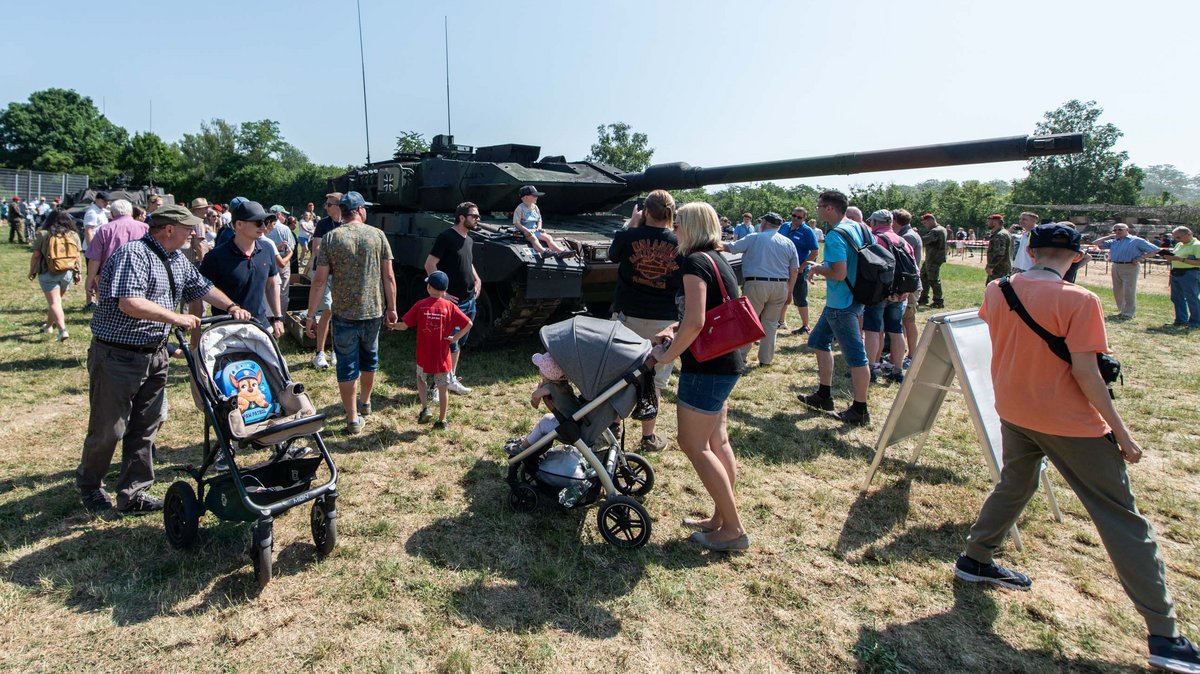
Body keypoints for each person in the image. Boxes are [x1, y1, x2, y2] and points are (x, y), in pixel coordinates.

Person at [954, 223, 1199, 674]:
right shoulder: (1080, 300)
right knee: (1121, 518)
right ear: (1079, 257)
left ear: (1030, 250)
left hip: (1014, 408)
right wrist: (1121, 432)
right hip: (1070, 422)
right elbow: (1086, 374)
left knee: (1015, 484)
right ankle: (1165, 636)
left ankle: (976, 557)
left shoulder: (997, 288)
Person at [78, 205, 250, 516]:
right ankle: (90, 486)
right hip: (118, 355)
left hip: (154, 354)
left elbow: (203, 287)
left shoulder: (176, 259)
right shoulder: (134, 254)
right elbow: (130, 303)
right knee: (109, 429)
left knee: (146, 425)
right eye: (188, 228)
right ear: (169, 229)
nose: (193, 233)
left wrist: (232, 306)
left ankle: (134, 493)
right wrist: (176, 318)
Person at [647, 201, 748, 552]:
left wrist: (666, 356)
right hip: (726, 363)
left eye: (677, 225)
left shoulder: (693, 263)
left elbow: (696, 321)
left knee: (693, 444)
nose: (674, 231)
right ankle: (721, 517)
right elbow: (706, 314)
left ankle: (732, 529)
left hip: (706, 368)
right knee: (718, 442)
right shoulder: (718, 258)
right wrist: (674, 328)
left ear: (689, 227)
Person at [306, 191, 397, 434]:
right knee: (370, 360)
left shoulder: (331, 237)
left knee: (346, 366)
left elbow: (319, 281)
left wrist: (311, 315)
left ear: (343, 212)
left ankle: (353, 418)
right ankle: (365, 403)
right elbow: (388, 276)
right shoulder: (378, 235)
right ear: (360, 210)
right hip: (373, 311)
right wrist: (392, 308)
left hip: (344, 313)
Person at [608, 189, 681, 453]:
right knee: (655, 381)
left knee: (620, 375)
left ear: (646, 211)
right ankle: (648, 437)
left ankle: (614, 425)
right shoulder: (679, 241)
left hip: (628, 316)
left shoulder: (628, 235)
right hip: (664, 322)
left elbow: (613, 255)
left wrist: (632, 223)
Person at [798, 190, 872, 425]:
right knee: (819, 341)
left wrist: (816, 268)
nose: (817, 210)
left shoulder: (835, 235)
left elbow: (839, 273)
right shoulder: (860, 227)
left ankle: (860, 410)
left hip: (842, 304)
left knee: (856, 357)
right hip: (854, 296)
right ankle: (823, 395)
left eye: (819, 206)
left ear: (829, 208)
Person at [393, 271, 472, 430]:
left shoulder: (421, 305)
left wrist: (392, 325)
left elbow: (404, 325)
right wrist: (455, 338)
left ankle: (425, 409)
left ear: (428, 287)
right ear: (445, 290)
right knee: (443, 388)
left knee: (421, 379)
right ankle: (442, 420)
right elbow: (468, 323)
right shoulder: (450, 306)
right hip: (442, 357)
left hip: (424, 355)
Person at [195, 200, 285, 336]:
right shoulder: (215, 257)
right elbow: (198, 294)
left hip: (259, 326)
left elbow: (272, 285)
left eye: (265, 222)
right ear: (239, 224)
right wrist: (195, 337)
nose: (263, 227)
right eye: (258, 222)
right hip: (225, 330)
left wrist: (277, 318)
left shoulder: (267, 249)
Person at [726, 212, 799, 367]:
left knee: (749, 321)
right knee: (771, 323)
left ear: (764, 223)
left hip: (756, 283)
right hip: (781, 285)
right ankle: (766, 359)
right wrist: (790, 290)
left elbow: (731, 248)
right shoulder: (788, 243)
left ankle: (741, 356)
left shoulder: (754, 237)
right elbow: (794, 269)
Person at [425, 201, 483, 395]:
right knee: (447, 343)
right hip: (452, 302)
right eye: (474, 216)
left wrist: (477, 279)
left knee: (457, 343)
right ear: (461, 217)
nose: (477, 219)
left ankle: (450, 379)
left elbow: (467, 262)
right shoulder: (446, 237)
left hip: (469, 300)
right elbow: (430, 264)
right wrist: (441, 293)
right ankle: (436, 386)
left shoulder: (469, 239)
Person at [861, 210, 913, 385]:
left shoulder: (875, 239)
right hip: (899, 294)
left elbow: (869, 268)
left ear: (875, 222)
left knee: (873, 330)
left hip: (879, 293)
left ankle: (871, 368)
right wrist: (905, 291)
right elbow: (913, 268)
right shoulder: (903, 241)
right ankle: (897, 370)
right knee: (896, 331)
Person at [504, 352, 580, 453]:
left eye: (541, 368)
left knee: (543, 425)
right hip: (574, 421)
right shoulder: (563, 384)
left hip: (569, 429)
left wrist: (538, 389)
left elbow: (535, 401)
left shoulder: (550, 387)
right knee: (546, 417)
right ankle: (528, 440)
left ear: (546, 373)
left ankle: (522, 448)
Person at [28, 211, 82, 341]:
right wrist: (78, 272)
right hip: (67, 272)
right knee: (56, 302)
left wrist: (32, 271)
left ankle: (62, 331)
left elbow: (36, 255)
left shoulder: (43, 234)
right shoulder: (73, 234)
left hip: (48, 271)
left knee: (55, 302)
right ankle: (48, 326)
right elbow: (77, 255)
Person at [85, 199, 148, 309]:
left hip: (110, 277)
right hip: (139, 275)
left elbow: (95, 259)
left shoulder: (104, 230)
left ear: (112, 213)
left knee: (109, 311)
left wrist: (90, 279)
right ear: (131, 212)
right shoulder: (145, 228)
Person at [1092, 223, 1161, 319]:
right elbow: (1095, 243)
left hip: (1130, 266)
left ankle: (1128, 313)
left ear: (1127, 230)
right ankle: (1122, 311)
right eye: (1115, 230)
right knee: (1117, 290)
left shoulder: (1136, 240)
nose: (1117, 232)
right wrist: (1110, 236)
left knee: (1129, 290)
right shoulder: (1113, 241)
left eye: (1120, 229)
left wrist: (1141, 258)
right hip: (1116, 265)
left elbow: (1155, 250)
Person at [306, 193, 343, 369]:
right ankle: (320, 353)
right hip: (323, 273)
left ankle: (335, 351)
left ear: (339, 206)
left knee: (338, 313)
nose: (326, 207)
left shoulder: (347, 223)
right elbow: (317, 249)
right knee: (327, 310)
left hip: (340, 275)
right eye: (326, 204)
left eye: (329, 204)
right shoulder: (323, 224)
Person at [778, 207, 819, 334]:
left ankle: (805, 326)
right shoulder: (784, 226)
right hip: (783, 268)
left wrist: (802, 267)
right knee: (783, 295)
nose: (795, 218)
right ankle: (781, 321)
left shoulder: (807, 231)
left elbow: (815, 252)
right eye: (793, 215)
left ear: (804, 218)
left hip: (799, 270)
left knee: (800, 297)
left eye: (799, 217)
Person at [892, 209, 922, 368]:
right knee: (905, 320)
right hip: (908, 284)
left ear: (895, 221)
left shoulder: (907, 237)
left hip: (909, 285)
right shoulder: (909, 234)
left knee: (909, 320)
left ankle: (912, 355)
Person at [512, 185, 569, 257]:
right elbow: (516, 223)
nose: (537, 197)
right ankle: (543, 252)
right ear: (526, 197)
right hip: (524, 232)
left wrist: (539, 227)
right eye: (534, 196)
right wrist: (525, 230)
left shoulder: (535, 207)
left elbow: (539, 219)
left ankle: (560, 251)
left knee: (548, 237)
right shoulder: (520, 208)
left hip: (534, 230)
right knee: (533, 238)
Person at [1163, 226, 1200, 328]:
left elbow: (1198, 262)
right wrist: (1170, 258)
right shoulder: (1179, 245)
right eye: (1175, 237)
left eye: (1179, 237)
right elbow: (1175, 257)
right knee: (1176, 298)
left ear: (1189, 234)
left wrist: (1180, 259)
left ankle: (1196, 322)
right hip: (1176, 273)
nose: (1177, 240)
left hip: (1190, 273)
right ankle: (1181, 320)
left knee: (1192, 298)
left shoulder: (1197, 245)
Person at [265, 211, 296, 311]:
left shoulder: (259, 234)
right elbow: (290, 247)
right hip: (281, 261)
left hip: (266, 263)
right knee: (283, 292)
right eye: (284, 215)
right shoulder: (284, 229)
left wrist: (277, 248)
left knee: (267, 290)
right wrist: (290, 253)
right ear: (278, 215)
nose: (285, 217)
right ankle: (280, 316)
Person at [917, 213, 948, 308]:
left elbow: (924, 240)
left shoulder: (936, 231)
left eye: (925, 223)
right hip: (932, 258)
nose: (924, 225)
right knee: (923, 276)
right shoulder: (941, 229)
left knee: (933, 279)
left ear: (931, 220)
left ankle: (938, 301)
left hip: (933, 258)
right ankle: (923, 297)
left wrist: (916, 235)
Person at [984, 214, 1013, 284]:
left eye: (989, 221)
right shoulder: (1005, 232)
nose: (987, 223)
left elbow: (1000, 253)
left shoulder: (1000, 235)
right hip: (1002, 268)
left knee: (995, 288)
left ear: (995, 222)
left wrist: (991, 266)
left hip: (999, 269)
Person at [184, 197, 212, 267]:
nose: (207, 211)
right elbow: (199, 244)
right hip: (196, 261)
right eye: (205, 208)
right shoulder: (198, 222)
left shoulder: (190, 220)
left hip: (189, 260)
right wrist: (203, 263)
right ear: (198, 209)